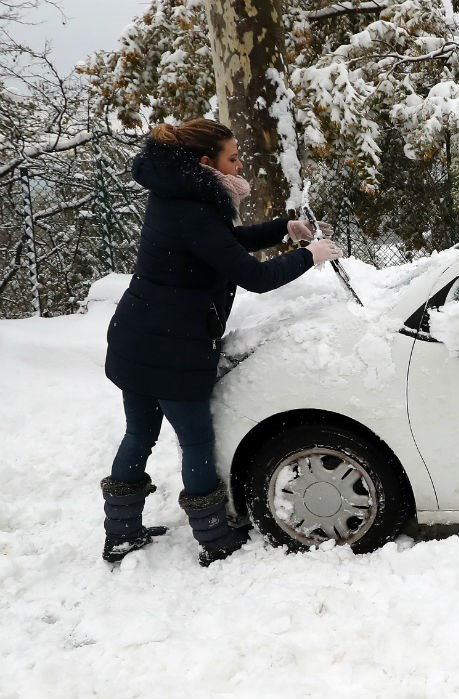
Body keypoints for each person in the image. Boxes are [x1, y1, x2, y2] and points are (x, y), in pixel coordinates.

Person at [101, 118, 342, 566]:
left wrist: (284, 229)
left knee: (139, 433)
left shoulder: (178, 195)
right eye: (233, 157)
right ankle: (215, 539)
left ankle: (121, 533)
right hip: (173, 346)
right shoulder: (193, 208)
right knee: (195, 441)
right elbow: (253, 276)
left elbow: (224, 243)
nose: (241, 163)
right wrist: (310, 256)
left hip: (136, 336)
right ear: (204, 162)